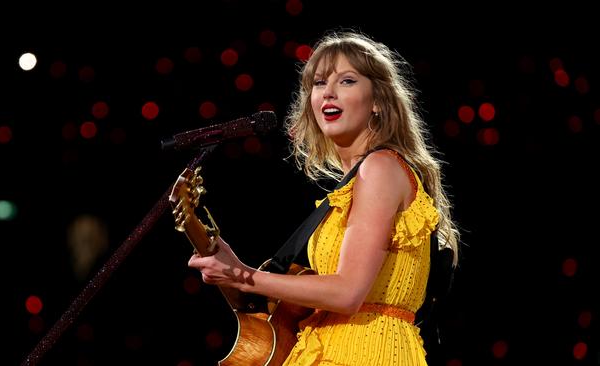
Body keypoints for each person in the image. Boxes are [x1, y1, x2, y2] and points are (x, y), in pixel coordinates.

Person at [188, 30, 460, 365]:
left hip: (366, 351)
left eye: (346, 81)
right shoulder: (351, 188)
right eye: (319, 83)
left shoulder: (381, 168)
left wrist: (245, 275)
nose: (328, 92)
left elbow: (347, 293)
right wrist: (233, 271)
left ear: (378, 100)